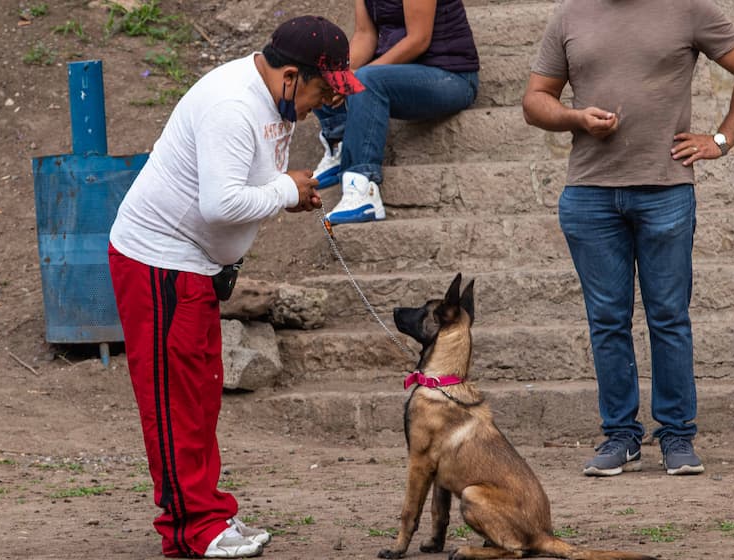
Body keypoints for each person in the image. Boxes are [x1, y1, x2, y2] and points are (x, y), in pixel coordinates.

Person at [108, 16, 363, 558]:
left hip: (195, 267)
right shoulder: (232, 105)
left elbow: (247, 188)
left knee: (200, 395)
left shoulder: (275, 100)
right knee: (174, 400)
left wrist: (285, 191)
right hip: (159, 262)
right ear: (291, 75)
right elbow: (219, 204)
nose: (324, 104)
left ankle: (210, 516)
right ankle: (192, 530)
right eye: (322, 91)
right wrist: (283, 191)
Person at [522, 0, 734, 477]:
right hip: (589, 195)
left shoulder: (690, 10)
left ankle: (677, 436)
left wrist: (721, 141)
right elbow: (535, 100)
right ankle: (621, 436)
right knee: (607, 320)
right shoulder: (569, 16)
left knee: (668, 316)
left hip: (665, 191)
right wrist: (576, 119)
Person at [313, 0, 479, 225]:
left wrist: (356, 79)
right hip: (397, 73)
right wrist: (340, 75)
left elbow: (418, 40)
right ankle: (341, 142)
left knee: (366, 80)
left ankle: (363, 189)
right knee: (323, 67)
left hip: (449, 76)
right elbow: (365, 34)